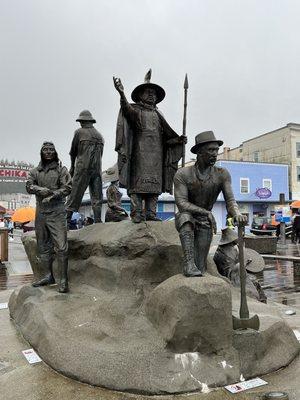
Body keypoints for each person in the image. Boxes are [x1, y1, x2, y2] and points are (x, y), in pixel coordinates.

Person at [113, 69, 185, 223]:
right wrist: (121, 93)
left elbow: (167, 138)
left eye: (154, 93)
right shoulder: (137, 111)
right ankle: (137, 212)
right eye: (148, 92)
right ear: (140, 95)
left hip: (157, 156)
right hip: (139, 153)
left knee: (154, 187)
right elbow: (127, 110)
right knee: (137, 185)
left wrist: (178, 140)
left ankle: (151, 213)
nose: (152, 95)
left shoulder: (159, 114)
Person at [174, 131, 247, 277]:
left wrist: (237, 213)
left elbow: (230, 201)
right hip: (189, 216)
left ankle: (195, 267)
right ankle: (188, 264)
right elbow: (181, 203)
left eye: (216, 150)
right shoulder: (183, 174)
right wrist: (206, 212)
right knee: (185, 217)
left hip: (205, 222)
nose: (215, 153)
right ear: (200, 152)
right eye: (211, 150)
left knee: (200, 269)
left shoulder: (222, 174)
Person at [26, 142, 72, 293]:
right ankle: (47, 276)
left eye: (51, 150)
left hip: (57, 211)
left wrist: (53, 195)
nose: (48, 152)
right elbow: (29, 186)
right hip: (41, 211)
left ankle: (63, 280)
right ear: (41, 152)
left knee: (61, 246)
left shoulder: (61, 169)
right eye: (45, 150)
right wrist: (42, 190)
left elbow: (68, 187)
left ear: (55, 152)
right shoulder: (35, 171)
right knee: (43, 246)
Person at [66, 110, 104, 227]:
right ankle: (97, 220)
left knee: (75, 194)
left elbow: (73, 152)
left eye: (81, 121)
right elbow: (101, 155)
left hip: (82, 168)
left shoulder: (79, 132)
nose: (81, 123)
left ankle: (66, 221)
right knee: (97, 196)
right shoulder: (100, 136)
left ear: (83, 121)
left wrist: (72, 166)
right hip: (97, 169)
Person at [214, 228, 267, 302]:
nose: (237, 240)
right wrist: (243, 264)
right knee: (253, 281)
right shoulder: (222, 253)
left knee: (254, 280)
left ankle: (262, 300)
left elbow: (237, 261)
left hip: (236, 272)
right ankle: (259, 300)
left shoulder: (232, 249)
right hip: (230, 277)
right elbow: (229, 271)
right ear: (231, 240)